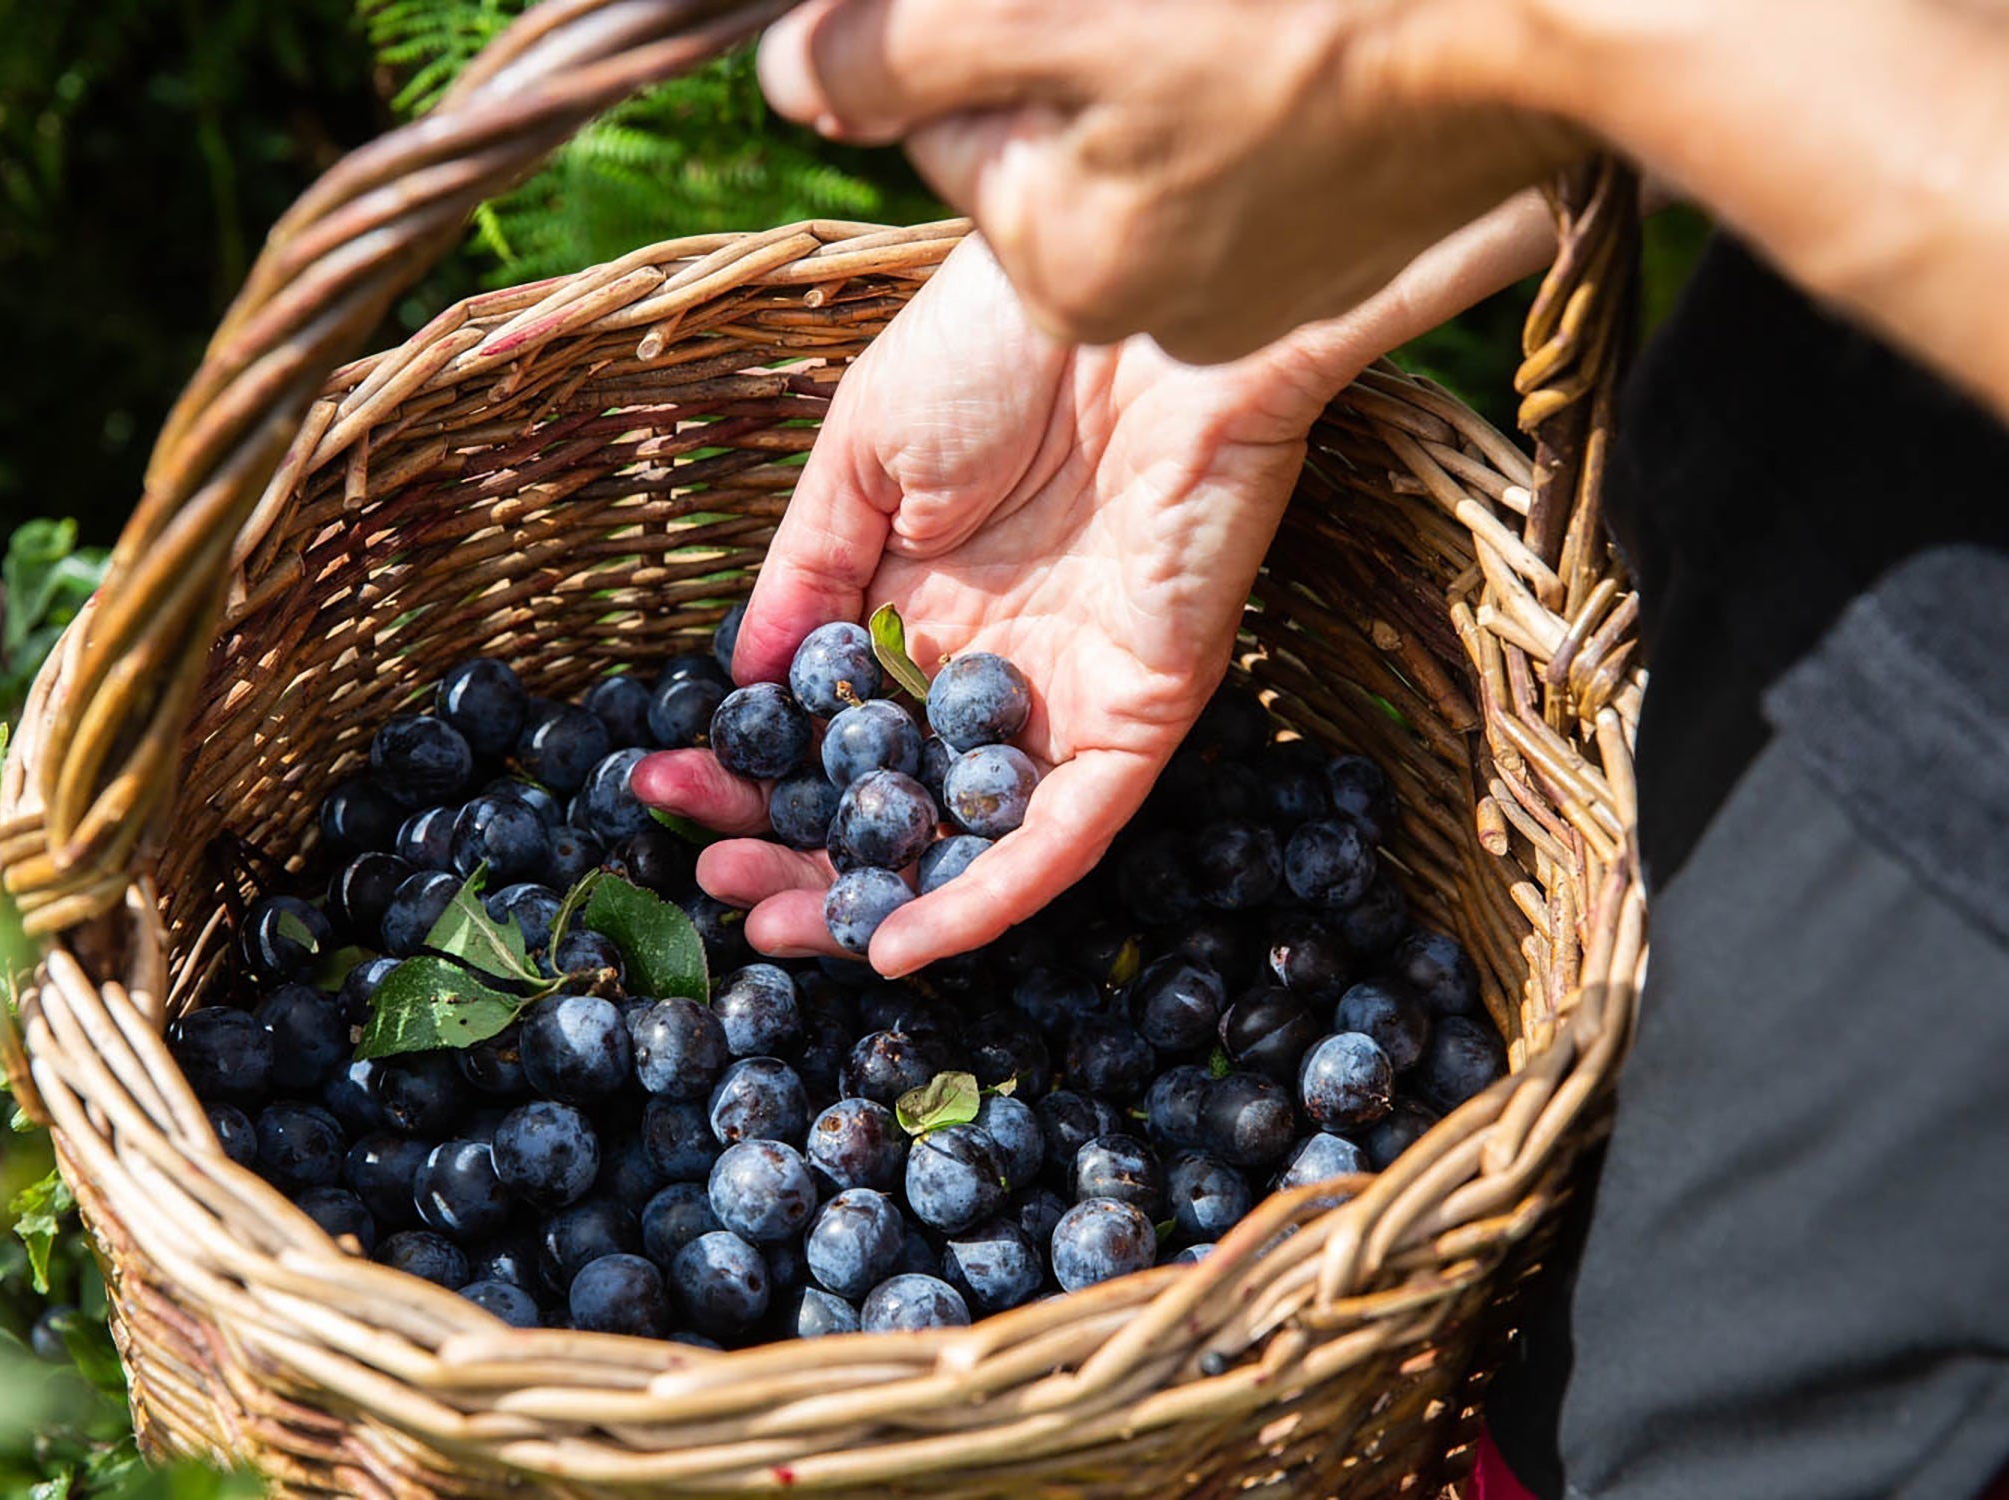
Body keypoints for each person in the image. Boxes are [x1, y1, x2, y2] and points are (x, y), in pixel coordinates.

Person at [632, 3, 2009, 1495]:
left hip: (1967, 843)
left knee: (1707, 1436)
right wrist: (1195, 325)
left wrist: (1491, 48)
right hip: (1846, 554)